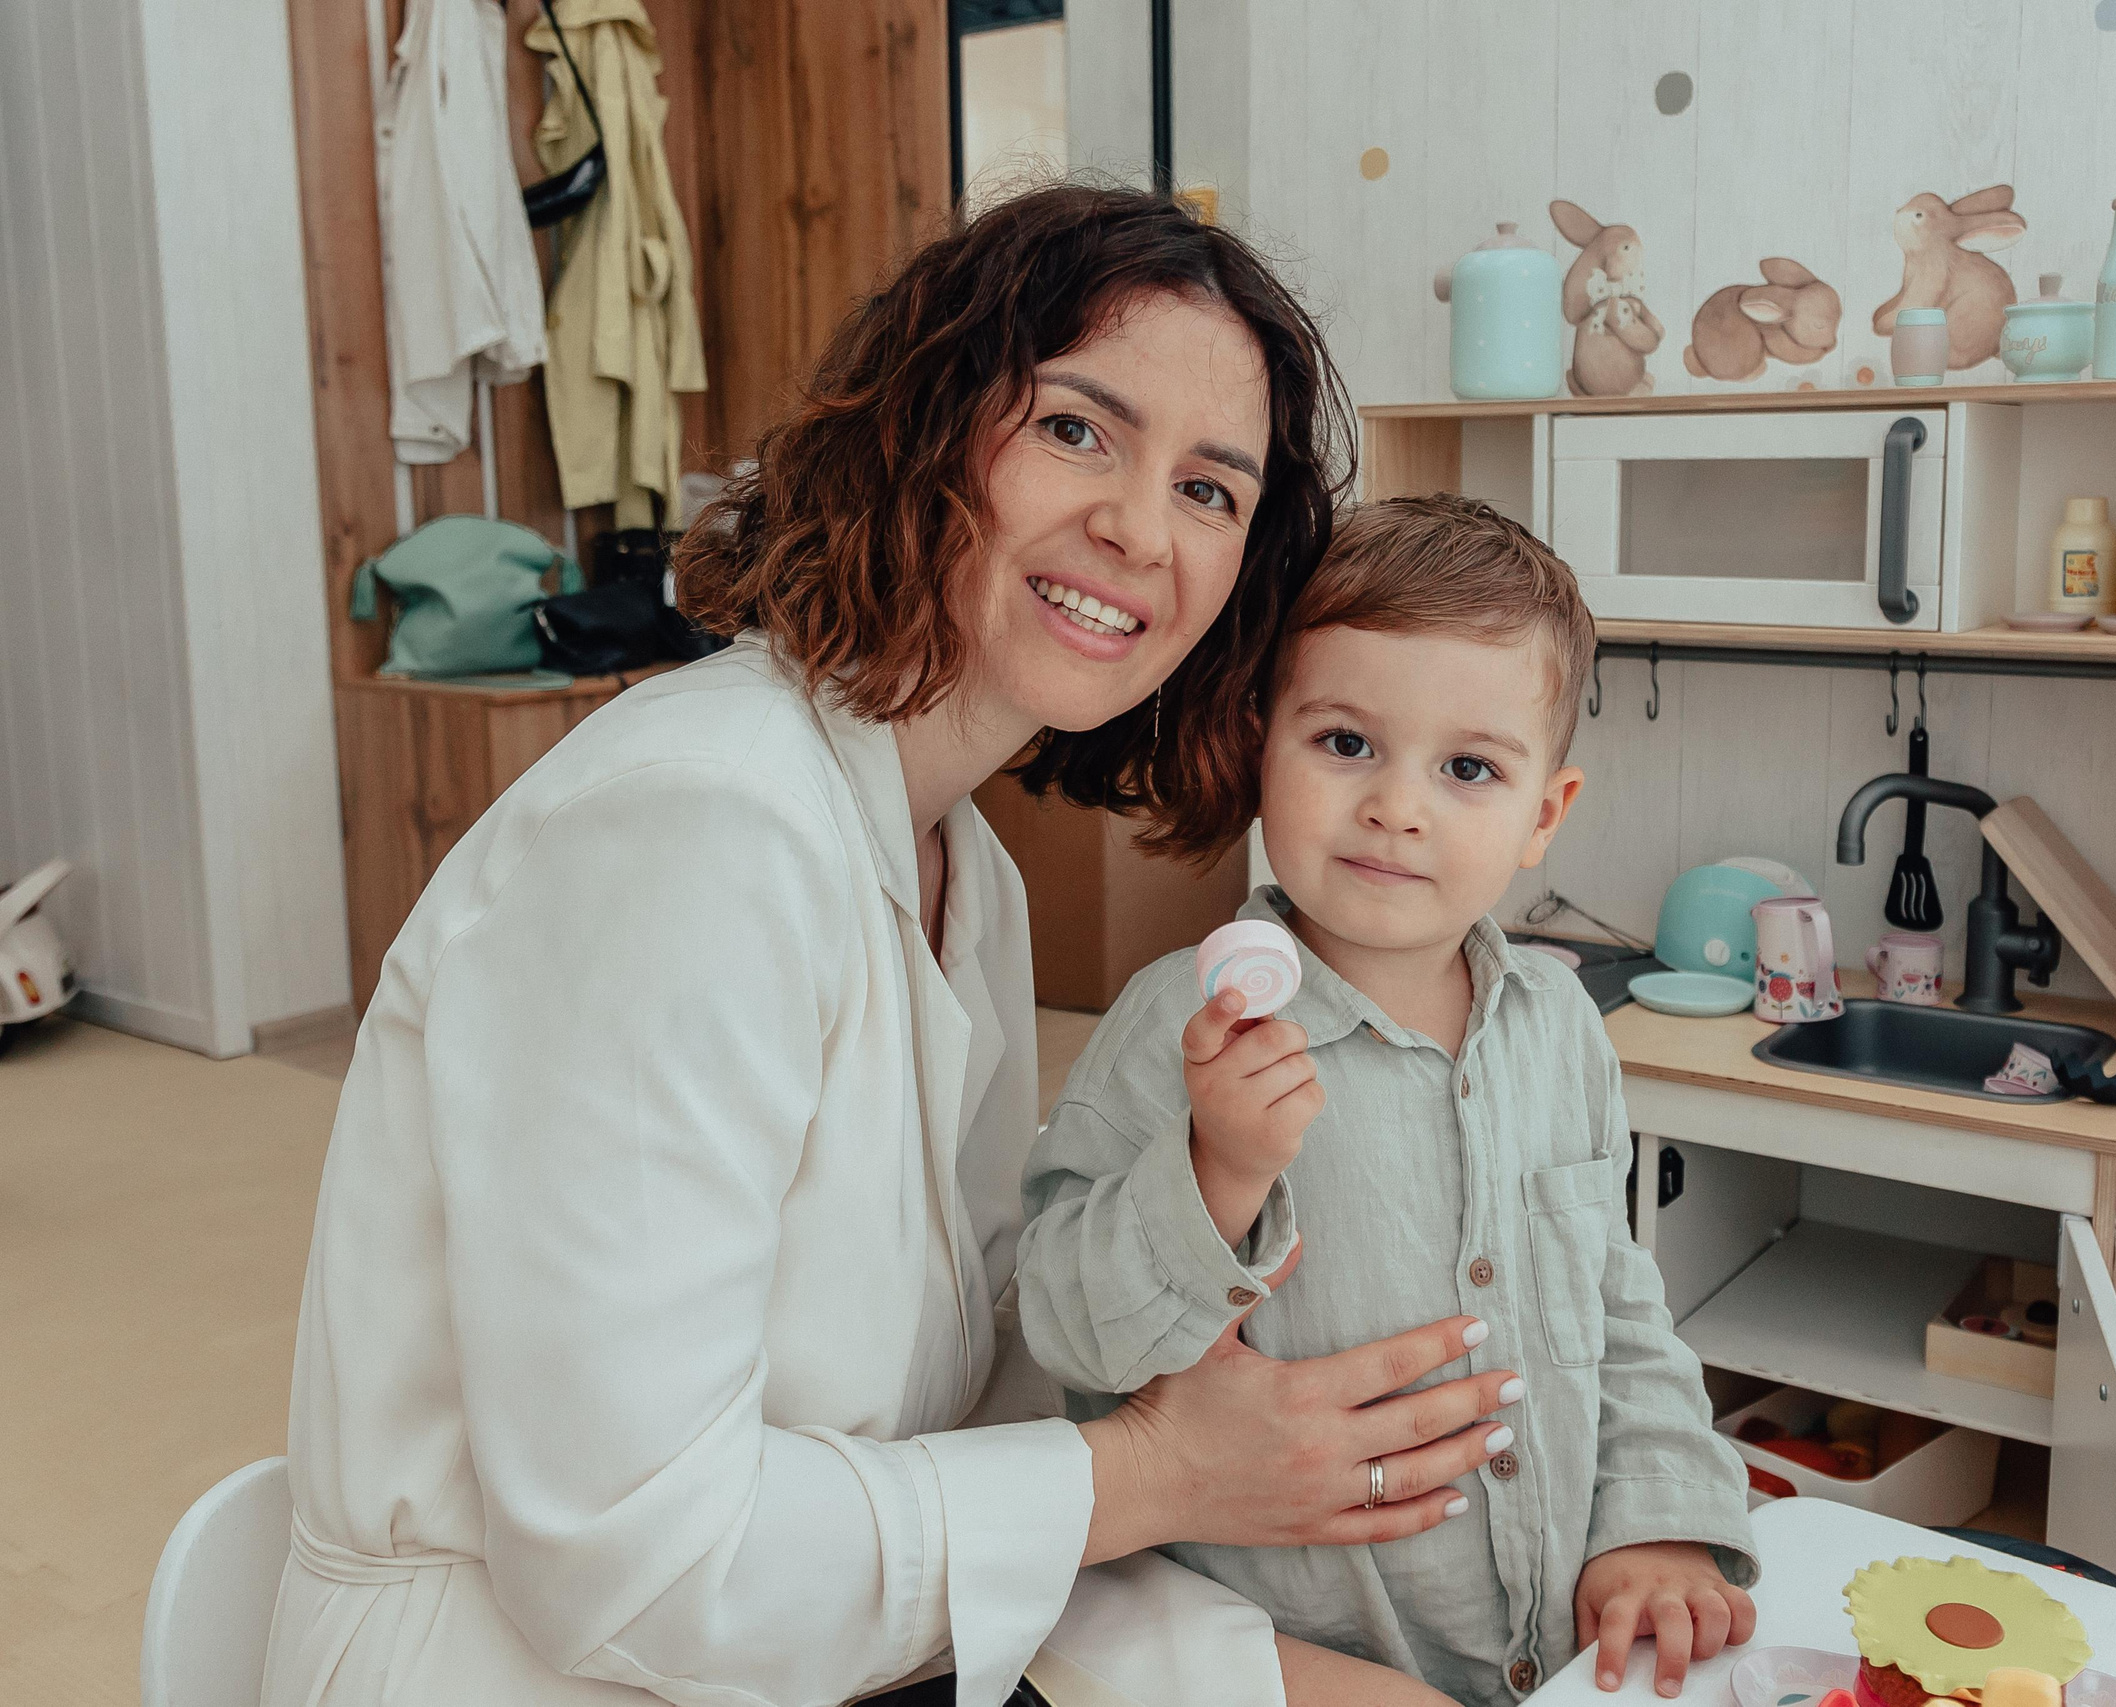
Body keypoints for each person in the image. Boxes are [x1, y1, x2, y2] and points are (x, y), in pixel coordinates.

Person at [263, 187, 1526, 1707]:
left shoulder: (958, 867)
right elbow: (643, 1568)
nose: (1138, 525)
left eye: (1211, 489)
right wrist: (1168, 1472)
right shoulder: (696, 831)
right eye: (1077, 429)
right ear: (927, 426)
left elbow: (963, 1409)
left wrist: (1245, 1644)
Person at [1016, 497, 1762, 1706]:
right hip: (1295, 1671)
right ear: (1263, 742)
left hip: (1556, 1663)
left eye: (1468, 768)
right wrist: (1218, 1169)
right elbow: (1065, 1330)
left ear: (1544, 814)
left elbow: (1618, 1310)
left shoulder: (1563, 1031)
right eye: (1347, 743)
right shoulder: (1178, 1022)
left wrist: (1657, 1526)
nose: (1398, 807)